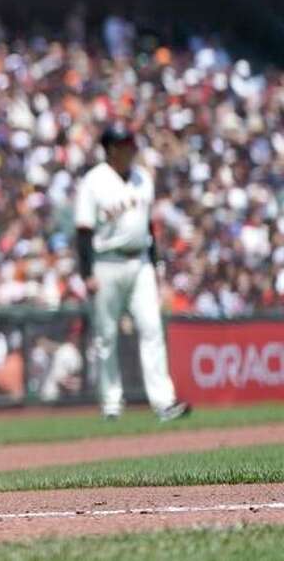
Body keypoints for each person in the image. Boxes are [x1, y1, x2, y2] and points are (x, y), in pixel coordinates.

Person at [74, 123, 191, 423]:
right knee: (106, 335)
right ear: (111, 149)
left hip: (139, 262)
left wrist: (155, 266)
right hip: (105, 262)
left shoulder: (142, 178)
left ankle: (164, 402)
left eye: (131, 144)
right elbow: (84, 233)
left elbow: (149, 228)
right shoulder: (93, 181)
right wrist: (87, 272)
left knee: (152, 328)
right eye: (125, 145)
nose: (130, 149)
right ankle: (111, 403)